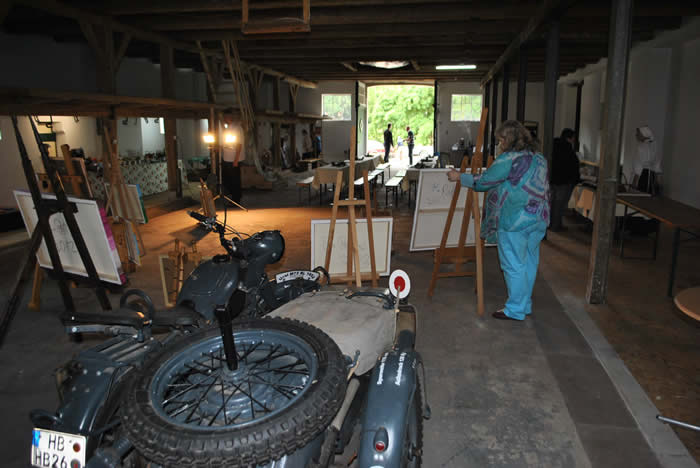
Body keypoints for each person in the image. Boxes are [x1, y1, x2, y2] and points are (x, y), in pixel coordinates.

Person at [447, 120, 550, 321]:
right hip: (539, 218)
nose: (499, 144)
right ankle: (524, 304)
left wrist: (459, 176)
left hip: (515, 220)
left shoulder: (509, 159)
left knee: (513, 264)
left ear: (508, 139)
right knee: (529, 262)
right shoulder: (539, 158)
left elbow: (485, 181)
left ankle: (515, 310)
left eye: (501, 139)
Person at [549, 128, 580, 232]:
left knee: (552, 203)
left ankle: (550, 224)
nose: (574, 140)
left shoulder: (553, 145)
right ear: (569, 138)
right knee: (559, 204)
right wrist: (576, 179)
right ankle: (556, 225)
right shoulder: (568, 148)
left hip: (551, 179)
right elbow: (573, 165)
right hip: (563, 181)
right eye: (573, 138)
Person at [221, 128, 243, 204]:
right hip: (226, 159)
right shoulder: (226, 129)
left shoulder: (237, 128)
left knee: (235, 180)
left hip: (233, 160)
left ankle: (236, 199)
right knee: (227, 179)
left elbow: (239, 145)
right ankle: (233, 196)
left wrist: (236, 160)